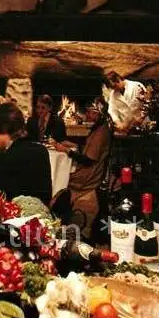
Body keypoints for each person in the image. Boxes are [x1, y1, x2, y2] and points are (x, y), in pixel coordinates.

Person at [51, 98, 112, 238]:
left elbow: (88, 160)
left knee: (61, 177)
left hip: (90, 173)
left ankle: (61, 217)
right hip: (89, 167)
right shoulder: (98, 128)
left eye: (92, 113)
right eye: (88, 112)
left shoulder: (101, 132)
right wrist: (70, 145)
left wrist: (66, 150)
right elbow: (87, 148)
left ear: (100, 114)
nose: (88, 115)